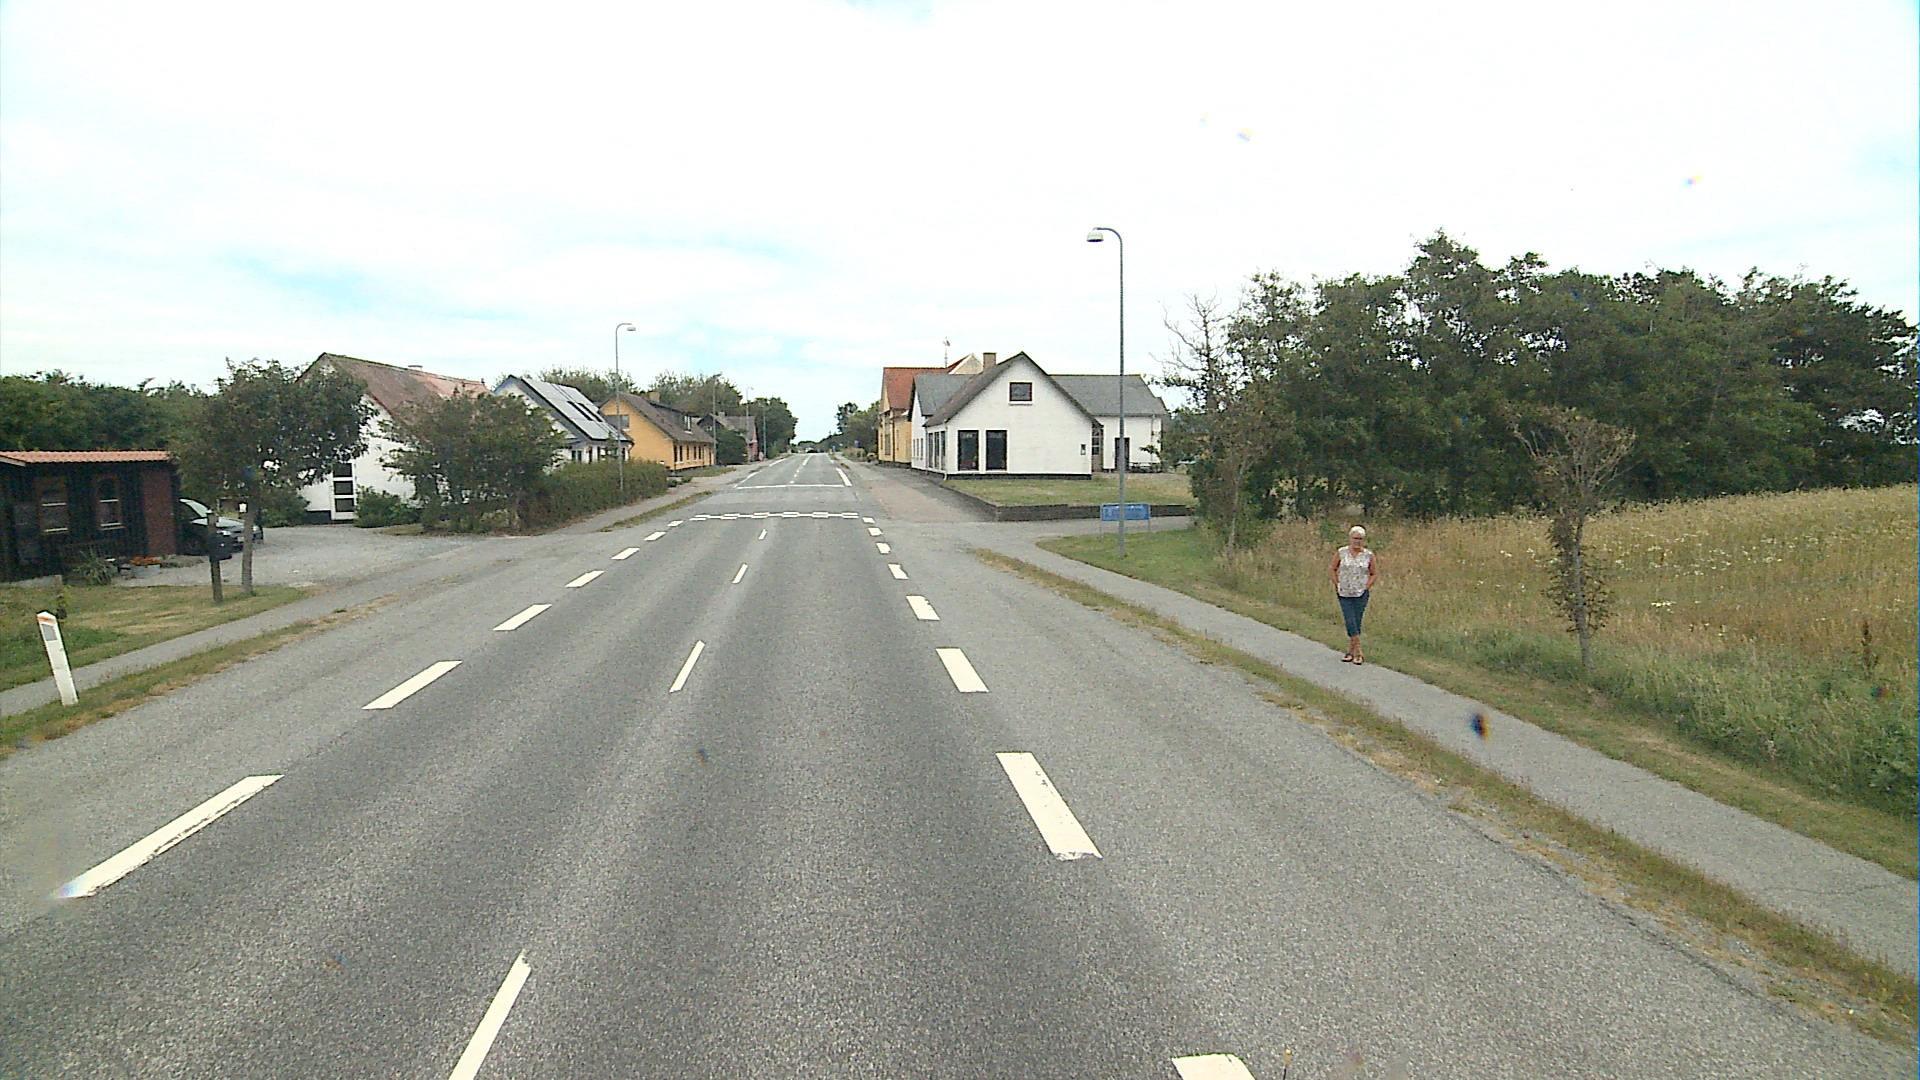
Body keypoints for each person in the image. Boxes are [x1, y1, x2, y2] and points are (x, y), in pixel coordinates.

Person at [1329, 525, 1378, 664]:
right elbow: (1332, 568)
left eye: (1360, 539)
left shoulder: (1368, 555)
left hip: (1360, 594)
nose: (1357, 541)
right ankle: (1359, 652)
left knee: (1356, 622)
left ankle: (1350, 652)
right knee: (1349, 620)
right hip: (1344, 593)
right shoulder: (1342, 552)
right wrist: (1337, 583)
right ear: (1350, 538)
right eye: (1355, 538)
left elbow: (1374, 573)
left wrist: (1366, 587)